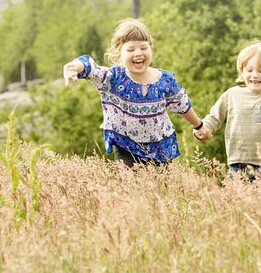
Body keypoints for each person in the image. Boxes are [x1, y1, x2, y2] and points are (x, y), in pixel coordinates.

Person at [63, 18, 204, 167]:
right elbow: (91, 68)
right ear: (119, 54)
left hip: (161, 149)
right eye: (131, 49)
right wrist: (75, 67)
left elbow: (182, 104)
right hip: (126, 146)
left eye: (143, 48)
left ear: (151, 49)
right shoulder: (113, 78)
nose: (138, 53)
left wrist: (199, 126)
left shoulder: (165, 80)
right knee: (131, 187)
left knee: (161, 189)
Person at [194, 42, 261, 180]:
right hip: (238, 165)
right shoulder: (231, 95)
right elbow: (214, 118)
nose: (255, 75)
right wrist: (203, 128)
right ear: (241, 71)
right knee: (239, 201)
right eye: (249, 70)